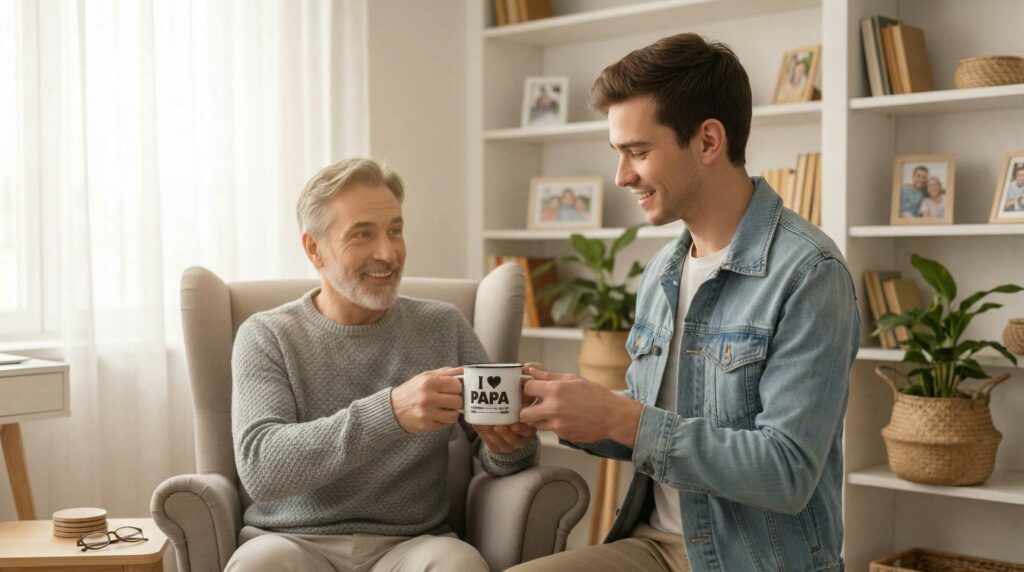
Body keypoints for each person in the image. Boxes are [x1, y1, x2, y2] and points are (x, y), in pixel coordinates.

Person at [511, 32, 859, 572]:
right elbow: (655, 413)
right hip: (654, 547)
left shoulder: (809, 273)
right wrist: (560, 410)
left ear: (708, 141)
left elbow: (786, 472)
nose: (622, 176)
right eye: (618, 154)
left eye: (638, 151)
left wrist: (621, 417)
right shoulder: (664, 272)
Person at [226, 158, 539, 572]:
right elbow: (262, 469)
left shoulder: (442, 324)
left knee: (458, 566)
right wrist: (392, 412)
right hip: (290, 543)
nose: (388, 253)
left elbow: (499, 454)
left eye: (395, 230)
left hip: (412, 545)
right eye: (363, 234)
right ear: (314, 248)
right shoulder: (266, 335)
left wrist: (511, 441)